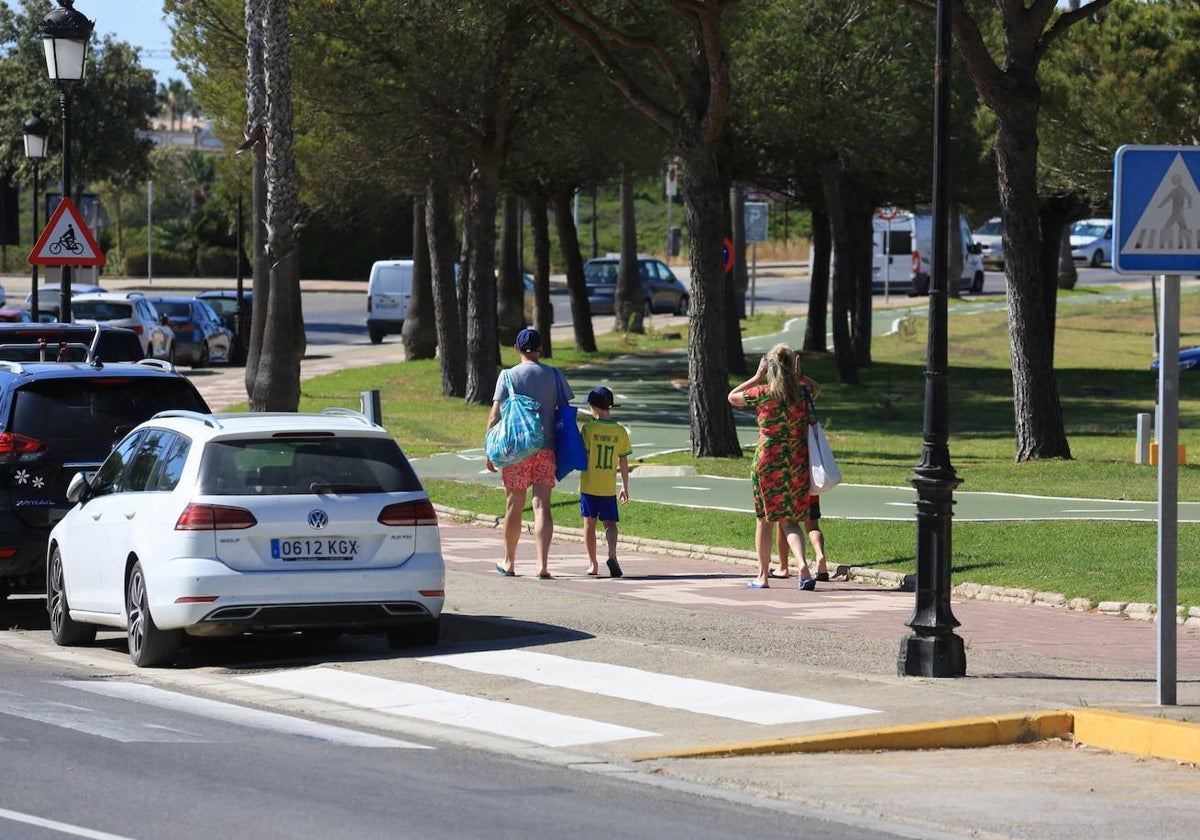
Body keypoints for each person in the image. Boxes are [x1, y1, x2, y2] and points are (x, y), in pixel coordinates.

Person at [727, 343, 817, 591]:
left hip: (768, 459)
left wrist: (755, 377)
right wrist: (801, 378)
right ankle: (803, 566)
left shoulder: (763, 393)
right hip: (796, 460)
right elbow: (817, 389)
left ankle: (762, 575)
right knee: (789, 520)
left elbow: (732, 397)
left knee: (764, 520)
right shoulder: (802, 392)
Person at [485, 328, 572, 579]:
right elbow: (565, 413)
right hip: (546, 448)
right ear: (540, 348)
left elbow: (494, 416)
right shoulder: (554, 375)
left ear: (516, 349)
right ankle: (542, 564)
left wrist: (490, 451)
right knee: (542, 505)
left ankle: (509, 561)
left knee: (514, 505)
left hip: (516, 450)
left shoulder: (507, 376)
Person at [579, 386, 631, 578]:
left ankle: (593, 564)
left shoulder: (589, 429)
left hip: (589, 484)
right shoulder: (620, 431)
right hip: (608, 486)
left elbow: (583, 456)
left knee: (589, 524)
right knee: (610, 524)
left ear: (594, 407)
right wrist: (624, 486)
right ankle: (612, 552)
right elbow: (623, 461)